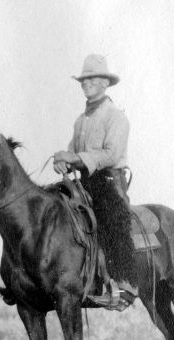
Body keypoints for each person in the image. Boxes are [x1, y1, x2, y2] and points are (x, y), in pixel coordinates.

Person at [52, 54, 137, 311]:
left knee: (110, 217)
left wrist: (75, 158)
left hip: (109, 182)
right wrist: (63, 161)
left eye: (91, 79)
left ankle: (125, 285)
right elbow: (72, 152)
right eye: (83, 80)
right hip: (85, 183)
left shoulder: (115, 116)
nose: (85, 83)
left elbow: (111, 154)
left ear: (104, 83)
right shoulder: (81, 121)